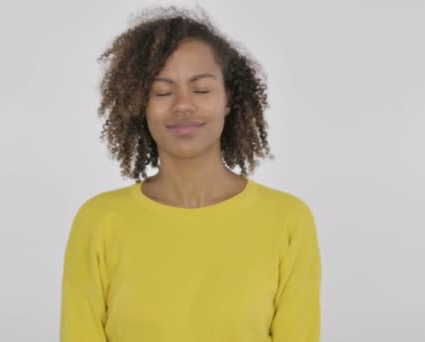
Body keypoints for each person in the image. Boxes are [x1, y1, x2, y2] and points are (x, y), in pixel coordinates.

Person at [60, 5, 322, 342]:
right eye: (163, 92)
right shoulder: (99, 221)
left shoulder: (288, 220)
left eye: (201, 89)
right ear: (140, 105)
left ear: (229, 99)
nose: (183, 105)